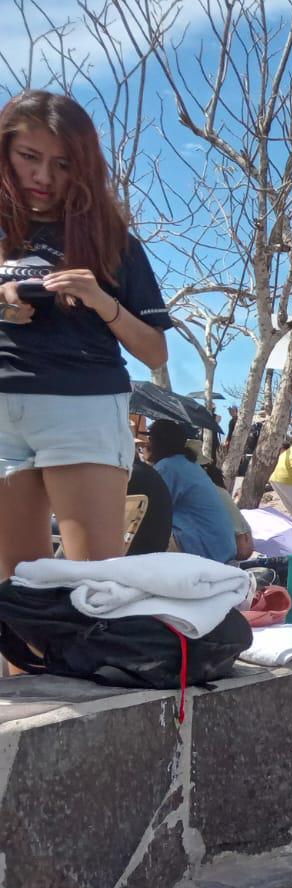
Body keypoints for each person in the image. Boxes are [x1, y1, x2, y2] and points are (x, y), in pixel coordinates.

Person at [0, 90, 172, 579]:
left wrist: (102, 302)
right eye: (29, 157)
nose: (42, 177)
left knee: (95, 584)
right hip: (2, 412)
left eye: (61, 164)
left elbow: (154, 349)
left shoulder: (112, 240)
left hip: (81, 408)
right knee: (17, 590)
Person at [145, 419, 240, 563]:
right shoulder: (188, 463)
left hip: (205, 552)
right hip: (221, 549)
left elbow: (150, 510)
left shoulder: (168, 467)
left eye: (149, 439)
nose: (147, 444)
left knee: (142, 537)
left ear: (157, 442)